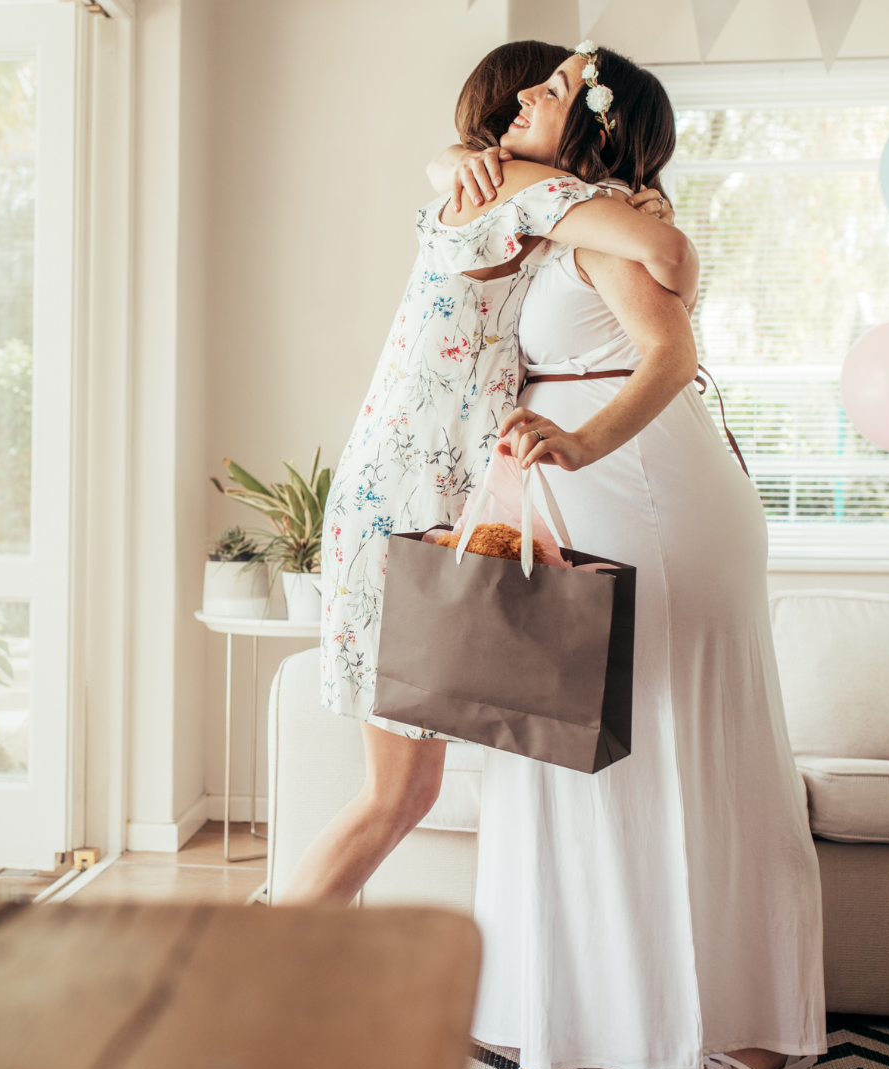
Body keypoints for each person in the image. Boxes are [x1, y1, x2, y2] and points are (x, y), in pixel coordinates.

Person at [443, 46, 830, 1069]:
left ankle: (720, 1028)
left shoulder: (604, 218)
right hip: (601, 491)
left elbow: (673, 355)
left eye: (555, 91)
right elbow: (456, 172)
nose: (525, 102)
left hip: (645, 483)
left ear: (592, 129)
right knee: (578, 750)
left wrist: (581, 442)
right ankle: (584, 1018)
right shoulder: (560, 206)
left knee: (651, 747)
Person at [293, 40, 691, 903]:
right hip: (401, 505)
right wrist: (640, 212)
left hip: (422, 499)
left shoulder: (537, 212)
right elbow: (674, 260)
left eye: (552, 92)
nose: (528, 104)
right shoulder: (515, 189)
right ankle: (258, 988)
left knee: (406, 792)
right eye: (535, 89)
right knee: (393, 794)